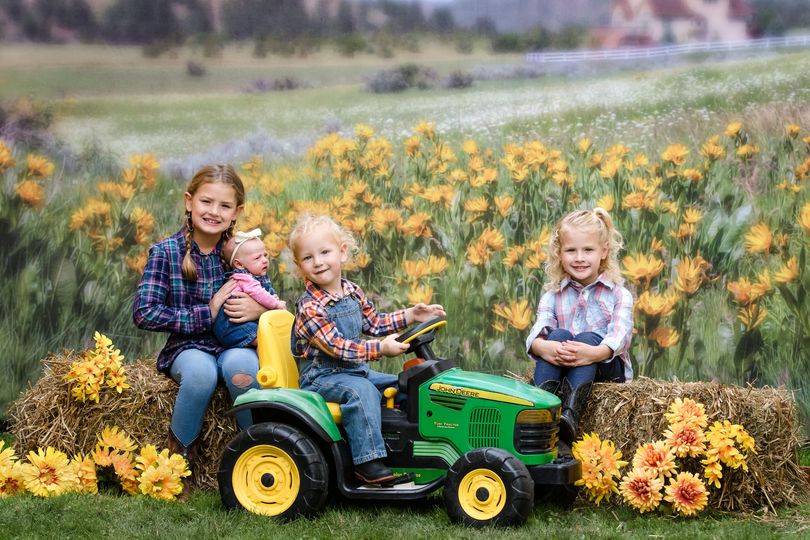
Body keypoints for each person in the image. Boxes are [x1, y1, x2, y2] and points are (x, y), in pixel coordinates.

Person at [132, 164, 266, 491]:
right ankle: (178, 462)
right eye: (207, 202)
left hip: (237, 343)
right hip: (188, 347)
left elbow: (270, 296)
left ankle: (261, 454)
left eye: (224, 205)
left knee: (244, 369)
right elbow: (145, 313)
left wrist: (257, 308)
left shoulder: (240, 252)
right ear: (189, 201)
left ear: (237, 212)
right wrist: (208, 312)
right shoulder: (166, 253)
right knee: (201, 374)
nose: (214, 212)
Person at [289, 214, 445, 485]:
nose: (318, 262)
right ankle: (367, 461)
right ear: (299, 265)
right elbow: (338, 347)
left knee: (405, 384)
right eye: (308, 257)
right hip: (322, 378)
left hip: (355, 371)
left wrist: (411, 315)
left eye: (325, 252)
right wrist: (381, 349)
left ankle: (410, 449)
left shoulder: (351, 291)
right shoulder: (310, 307)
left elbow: (375, 323)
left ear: (343, 252)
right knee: (361, 392)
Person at [525, 208, 633, 446]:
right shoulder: (553, 295)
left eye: (588, 250)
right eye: (571, 250)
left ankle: (570, 416)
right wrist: (543, 347)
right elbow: (539, 329)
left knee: (586, 337)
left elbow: (620, 336)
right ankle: (541, 411)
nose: (579, 257)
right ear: (559, 253)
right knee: (559, 334)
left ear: (604, 251)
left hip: (605, 368)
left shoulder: (618, 294)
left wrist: (592, 352)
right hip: (564, 362)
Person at [213, 228, 286, 348]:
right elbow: (259, 294)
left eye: (265, 255)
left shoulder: (256, 275)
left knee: (268, 334)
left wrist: (273, 298)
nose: (264, 260)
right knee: (265, 338)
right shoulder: (243, 278)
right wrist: (276, 304)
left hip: (243, 323)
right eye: (258, 258)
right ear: (239, 264)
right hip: (231, 326)